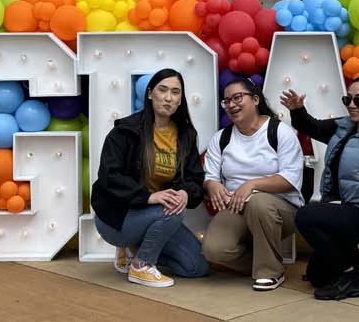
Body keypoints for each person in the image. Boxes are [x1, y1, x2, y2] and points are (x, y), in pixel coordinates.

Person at [280, 74, 359, 300]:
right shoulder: (346, 127)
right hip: (355, 214)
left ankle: (353, 277)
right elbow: (312, 127)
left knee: (306, 216)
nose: (351, 105)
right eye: (347, 99)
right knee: (318, 276)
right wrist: (298, 110)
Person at [90, 68, 209, 287]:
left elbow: (195, 178)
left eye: (175, 92)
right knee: (172, 209)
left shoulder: (186, 134)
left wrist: (185, 192)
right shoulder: (125, 131)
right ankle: (141, 265)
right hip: (118, 217)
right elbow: (109, 176)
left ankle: (136, 250)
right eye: (162, 90)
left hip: (156, 215)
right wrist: (148, 197)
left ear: (180, 99)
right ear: (150, 94)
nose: (168, 97)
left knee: (196, 267)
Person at [203, 76, 305, 291]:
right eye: (226, 101)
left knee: (258, 202)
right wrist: (212, 185)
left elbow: (290, 179)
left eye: (237, 97)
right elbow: (210, 176)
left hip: (279, 210)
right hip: (236, 207)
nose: (231, 104)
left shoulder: (279, 132)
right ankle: (264, 260)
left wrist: (251, 185)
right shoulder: (221, 138)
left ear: (255, 99)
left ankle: (270, 272)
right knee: (214, 250)